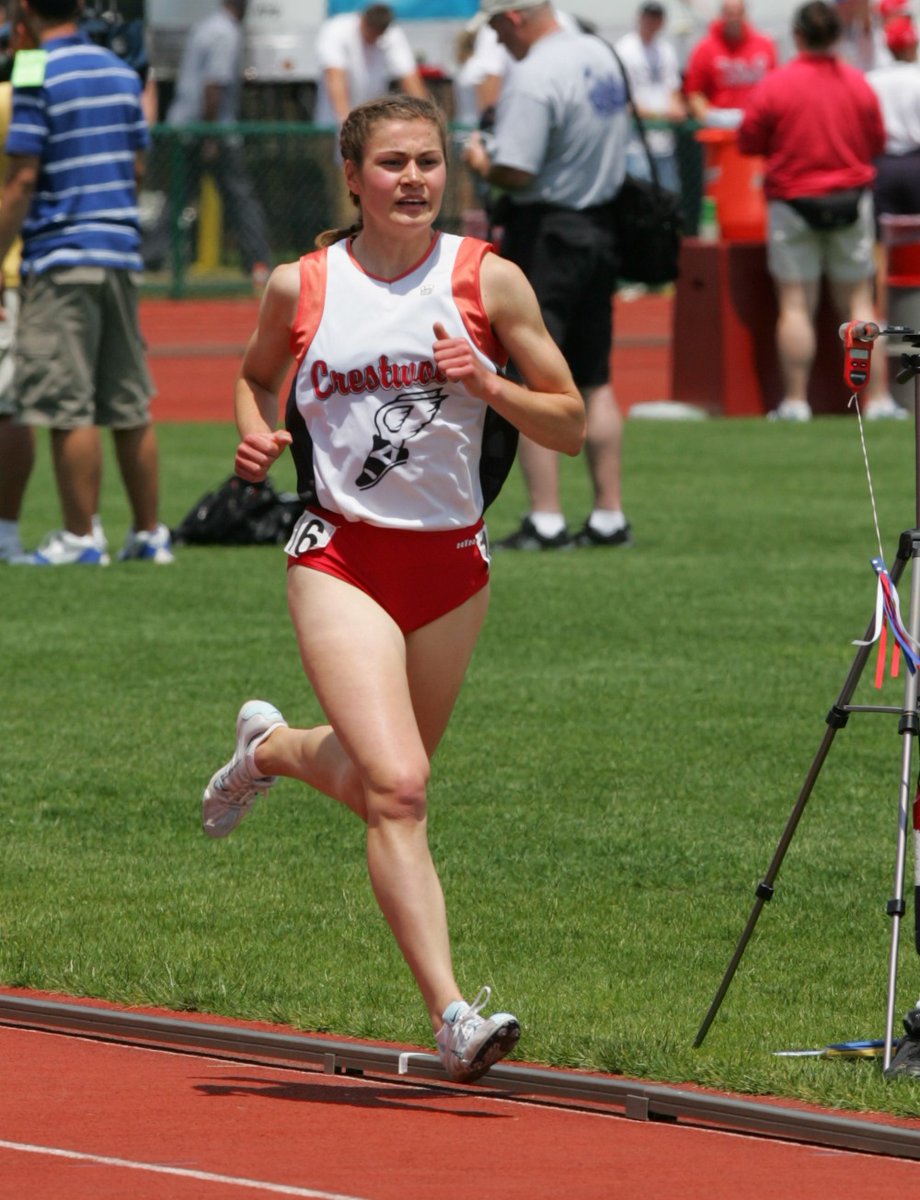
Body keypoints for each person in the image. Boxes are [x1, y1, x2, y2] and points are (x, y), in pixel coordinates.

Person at [201, 94, 585, 1082]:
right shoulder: (303, 284)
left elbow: (569, 421)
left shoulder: (485, 280)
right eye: (391, 164)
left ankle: (271, 749)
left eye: (426, 161)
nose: (412, 179)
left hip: (452, 569)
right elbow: (252, 376)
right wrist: (253, 431)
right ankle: (453, 1015)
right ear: (352, 175)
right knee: (402, 788)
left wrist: (488, 383)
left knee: (384, 786)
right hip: (342, 559)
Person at [0, 0, 173, 565]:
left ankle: (80, 537)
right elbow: (139, 166)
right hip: (120, 251)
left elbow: (22, 177)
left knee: (66, 403)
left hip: (61, 253)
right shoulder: (121, 71)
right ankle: (149, 534)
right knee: (127, 403)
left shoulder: (35, 71)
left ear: (26, 11)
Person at [462, 0, 632, 550]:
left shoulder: (535, 72)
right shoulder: (600, 53)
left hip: (550, 232)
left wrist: (482, 163)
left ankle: (547, 518)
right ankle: (609, 515)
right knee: (597, 378)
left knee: (537, 376)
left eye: (494, 27)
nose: (495, 40)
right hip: (602, 226)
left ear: (513, 17)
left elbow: (518, 167)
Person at [738, 0, 905, 421]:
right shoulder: (856, 83)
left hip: (793, 203)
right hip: (850, 201)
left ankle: (796, 402)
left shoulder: (777, 85)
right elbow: (877, 140)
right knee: (860, 304)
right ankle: (879, 399)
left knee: (796, 305)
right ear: (834, 35)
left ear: (797, 36)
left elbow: (748, 140)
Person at [142, 0, 271, 289]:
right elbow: (214, 85)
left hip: (186, 125)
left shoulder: (206, 27)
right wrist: (211, 135)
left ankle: (150, 254)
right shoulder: (225, 32)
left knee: (178, 195)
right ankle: (258, 260)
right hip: (209, 130)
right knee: (239, 197)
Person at [615, 0, 686, 195]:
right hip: (635, 145)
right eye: (649, 17)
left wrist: (676, 109)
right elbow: (623, 101)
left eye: (657, 18)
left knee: (668, 199)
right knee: (640, 202)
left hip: (665, 144)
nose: (652, 22)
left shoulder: (666, 50)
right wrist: (661, 114)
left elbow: (673, 90)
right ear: (640, 18)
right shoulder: (625, 49)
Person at [684, 0, 778, 124]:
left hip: (756, 123)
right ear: (722, 15)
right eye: (729, 14)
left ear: (745, 14)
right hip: (720, 128)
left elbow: (774, 87)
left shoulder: (764, 45)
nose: (734, 18)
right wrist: (709, 118)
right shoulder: (704, 48)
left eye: (738, 13)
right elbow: (694, 93)